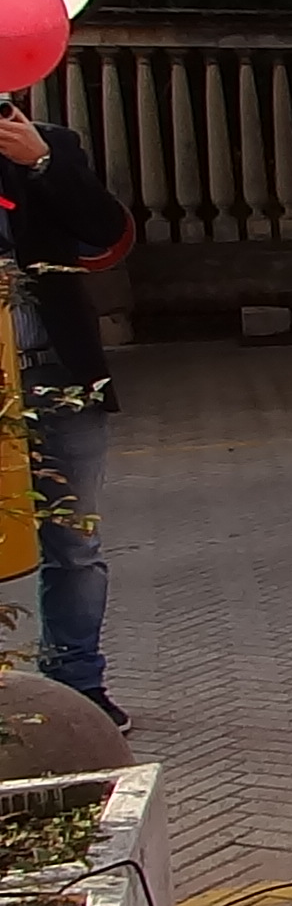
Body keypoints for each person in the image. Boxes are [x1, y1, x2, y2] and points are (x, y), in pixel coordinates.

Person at [0, 96, 135, 733]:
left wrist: (42, 163)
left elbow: (105, 230)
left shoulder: (49, 142)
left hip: (53, 372)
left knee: (74, 542)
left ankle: (78, 684)